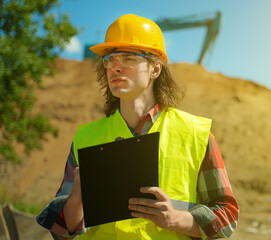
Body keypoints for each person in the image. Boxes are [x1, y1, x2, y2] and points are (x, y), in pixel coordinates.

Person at [36, 14, 239, 240]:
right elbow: (62, 231)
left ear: (156, 69)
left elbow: (227, 217)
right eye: (110, 60)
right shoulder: (86, 138)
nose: (116, 67)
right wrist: (76, 202)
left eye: (129, 59)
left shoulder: (195, 133)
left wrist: (176, 219)